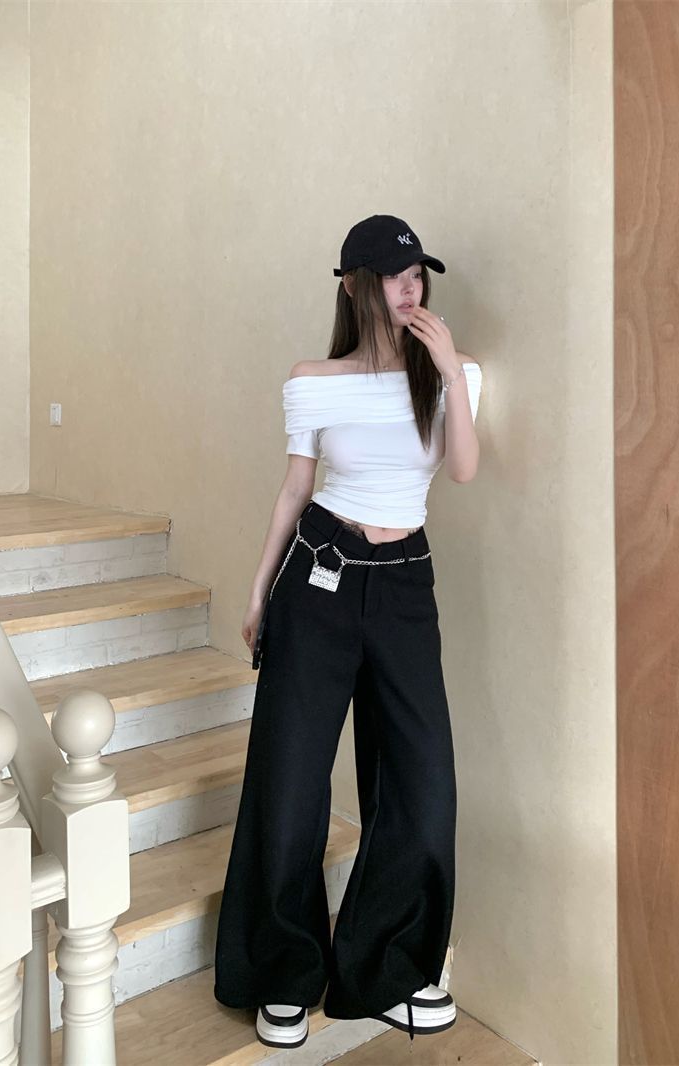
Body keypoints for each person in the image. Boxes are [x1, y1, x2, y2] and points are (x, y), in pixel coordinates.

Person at [213, 214, 483, 1049]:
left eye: (419, 275)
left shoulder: (452, 372)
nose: (412, 288)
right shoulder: (313, 380)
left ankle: (390, 967)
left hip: (404, 586)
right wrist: (260, 590)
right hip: (319, 575)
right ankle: (284, 972)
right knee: (291, 779)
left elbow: (465, 469)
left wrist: (448, 368)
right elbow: (296, 489)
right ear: (356, 285)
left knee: (422, 784)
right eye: (397, 275)